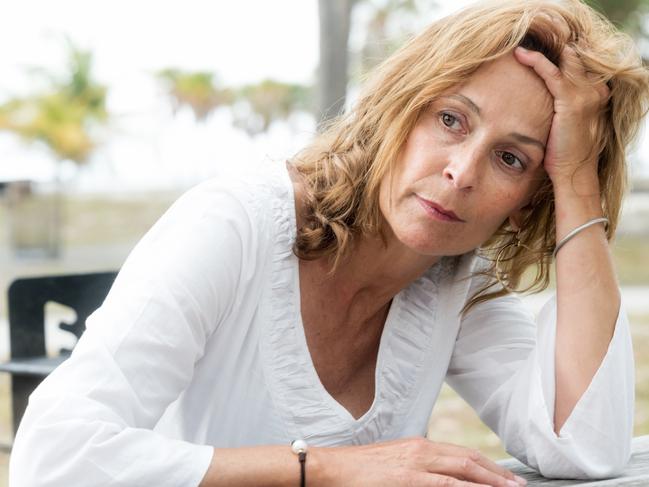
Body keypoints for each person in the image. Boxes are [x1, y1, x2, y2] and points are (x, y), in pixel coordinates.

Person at [10, 0, 649, 485]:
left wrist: (577, 185)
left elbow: (583, 447)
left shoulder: (454, 277)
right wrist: (327, 467)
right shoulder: (235, 224)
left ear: (526, 205)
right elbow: (52, 455)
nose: (462, 171)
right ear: (399, 109)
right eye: (450, 119)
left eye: (512, 159)